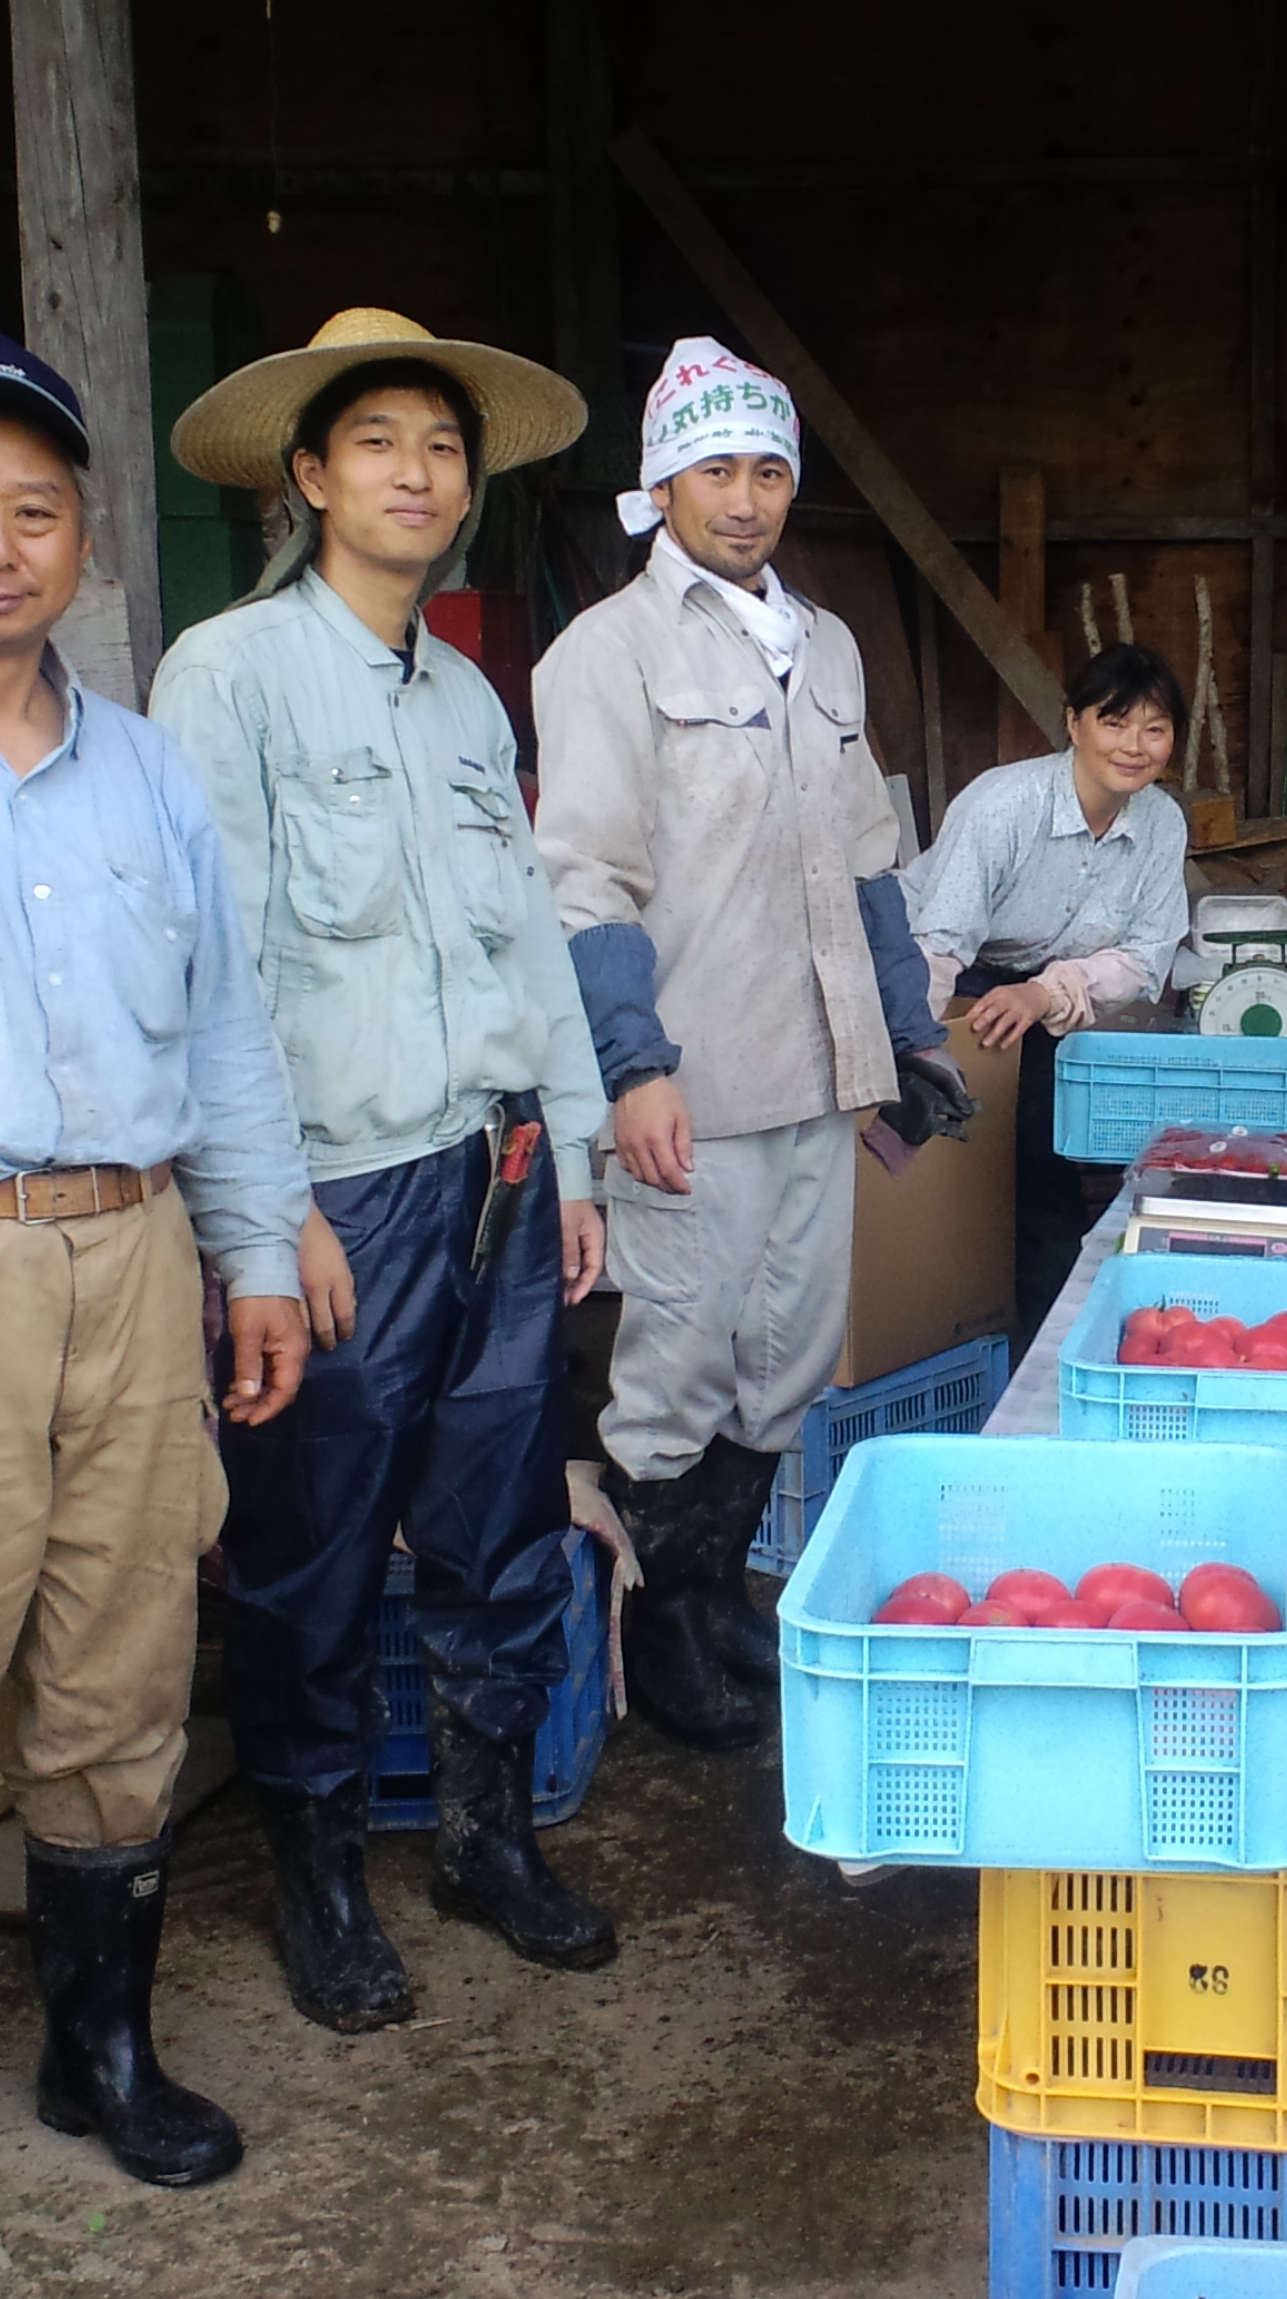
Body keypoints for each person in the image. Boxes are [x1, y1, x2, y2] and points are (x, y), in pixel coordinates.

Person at [0, 331, 316, 2261]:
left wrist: (256, 1251)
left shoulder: (145, 770)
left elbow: (228, 1038)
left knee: (121, 1667)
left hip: (131, 1254)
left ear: (86, 535)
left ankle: (94, 2050)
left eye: (32, 507)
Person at [150, 309, 616, 2037]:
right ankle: (321, 1874)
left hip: (494, 1172)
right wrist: (263, 1216)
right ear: (307, 475)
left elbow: (533, 950)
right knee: (313, 1548)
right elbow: (212, 970)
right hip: (341, 1190)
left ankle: (487, 1839)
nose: (418, 472)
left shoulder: (467, 692)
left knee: (499, 1523)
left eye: (442, 446)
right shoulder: (228, 674)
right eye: (380, 444)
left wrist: (569, 1152)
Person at [534, 336, 972, 1752]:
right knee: (676, 1356)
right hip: (693, 1081)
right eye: (715, 467)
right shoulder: (607, 652)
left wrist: (908, 1035)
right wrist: (631, 1067)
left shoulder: (828, 645)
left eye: (769, 467)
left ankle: (716, 1593)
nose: (746, 494)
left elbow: (868, 863)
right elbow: (584, 879)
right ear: (662, 483)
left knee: (785, 1350)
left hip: (821, 1069)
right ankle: (658, 1627)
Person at [902, 642, 1190, 1345]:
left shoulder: (1161, 823)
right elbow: (938, 944)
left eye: (1154, 729)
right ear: (1074, 724)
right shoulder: (1005, 806)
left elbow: (1148, 957)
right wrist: (908, 1043)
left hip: (1052, 995)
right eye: (1114, 722)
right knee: (941, 1162)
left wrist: (1045, 993)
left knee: (1045, 1165)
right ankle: (926, 1323)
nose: (1134, 747)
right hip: (940, 977)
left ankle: (1044, 1353)